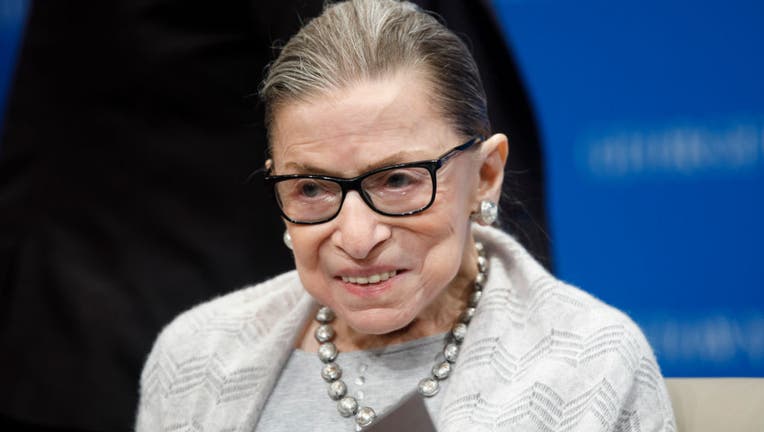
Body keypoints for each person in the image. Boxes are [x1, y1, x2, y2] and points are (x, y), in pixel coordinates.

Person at [136, 1, 675, 431]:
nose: (357, 236)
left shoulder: (591, 361)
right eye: (311, 188)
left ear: (485, 175)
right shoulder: (194, 354)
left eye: (397, 181)